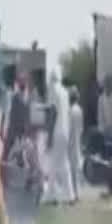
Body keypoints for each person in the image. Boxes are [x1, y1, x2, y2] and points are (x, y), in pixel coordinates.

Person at [45, 73, 73, 205]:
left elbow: (52, 113)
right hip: (65, 131)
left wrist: (49, 135)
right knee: (63, 163)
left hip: (56, 131)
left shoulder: (53, 91)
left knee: (53, 164)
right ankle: (69, 194)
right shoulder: (65, 92)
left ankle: (52, 195)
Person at [69, 87, 84, 202]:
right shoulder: (79, 109)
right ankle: (77, 193)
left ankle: (74, 193)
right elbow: (81, 128)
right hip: (78, 139)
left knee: (72, 169)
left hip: (71, 142)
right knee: (77, 168)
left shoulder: (70, 111)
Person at [99, 75, 112, 141]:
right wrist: (103, 125)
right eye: (107, 84)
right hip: (104, 126)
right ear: (104, 86)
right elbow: (100, 113)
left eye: (110, 84)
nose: (108, 86)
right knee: (106, 141)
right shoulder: (101, 98)